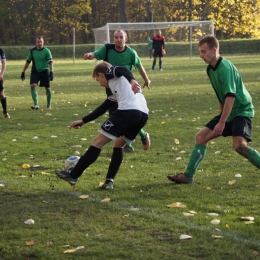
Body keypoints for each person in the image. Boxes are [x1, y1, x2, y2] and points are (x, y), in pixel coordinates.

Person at [167, 34, 260, 184]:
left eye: (203, 52)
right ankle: (188, 176)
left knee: (239, 146)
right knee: (201, 137)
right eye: (200, 52)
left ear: (214, 50)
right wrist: (222, 116)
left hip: (242, 110)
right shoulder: (210, 70)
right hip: (228, 111)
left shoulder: (225, 68)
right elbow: (221, 96)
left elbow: (231, 97)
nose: (200, 55)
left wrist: (222, 122)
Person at [55, 61, 149, 190]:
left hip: (128, 110)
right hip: (143, 115)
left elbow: (121, 68)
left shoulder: (110, 73)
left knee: (98, 142)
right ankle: (109, 182)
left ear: (101, 74)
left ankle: (73, 175)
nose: (100, 84)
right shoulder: (117, 87)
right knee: (118, 145)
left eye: (98, 79)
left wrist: (132, 80)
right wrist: (83, 121)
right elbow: (103, 108)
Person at [83, 29, 151, 153]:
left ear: (126, 39)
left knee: (124, 115)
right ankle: (136, 138)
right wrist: (90, 55)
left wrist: (146, 80)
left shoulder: (131, 52)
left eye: (121, 37)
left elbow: (139, 66)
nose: (118, 39)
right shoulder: (108, 48)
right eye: (116, 37)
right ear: (113, 39)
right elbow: (96, 54)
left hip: (126, 89)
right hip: (110, 87)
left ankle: (129, 143)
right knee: (115, 115)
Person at [21, 36, 54, 109]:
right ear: (36, 43)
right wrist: (23, 71)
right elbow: (27, 62)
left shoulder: (47, 51)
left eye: (41, 42)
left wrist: (51, 72)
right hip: (35, 71)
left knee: (47, 88)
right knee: (32, 85)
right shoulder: (32, 51)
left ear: (43, 42)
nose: (39, 43)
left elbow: (50, 62)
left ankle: (49, 105)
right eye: (38, 42)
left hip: (45, 71)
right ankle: (36, 104)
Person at [0, 48, 10, 118]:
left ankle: (5, 111)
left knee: (1, 93)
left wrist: (1, 74)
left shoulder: (0, 50)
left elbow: (4, 62)